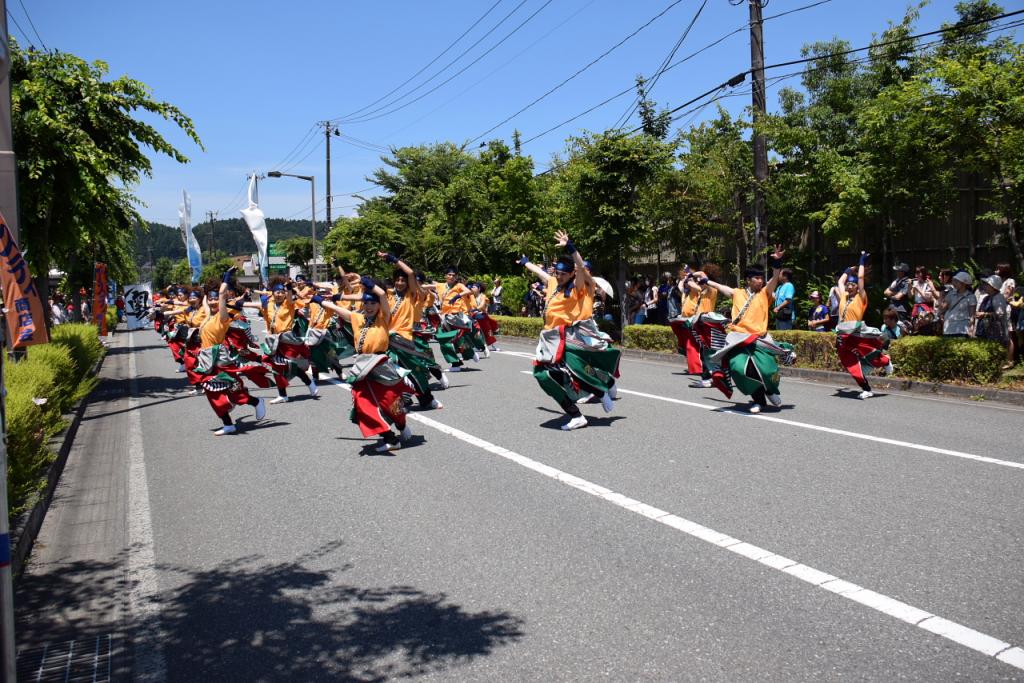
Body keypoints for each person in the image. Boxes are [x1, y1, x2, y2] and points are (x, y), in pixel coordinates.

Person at [519, 231, 620, 431]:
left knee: (578, 369)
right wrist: (526, 263)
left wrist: (570, 246)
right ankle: (582, 408)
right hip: (550, 338)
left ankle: (603, 388)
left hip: (572, 333)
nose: (559, 276)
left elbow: (581, 267)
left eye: (563, 273)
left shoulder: (578, 287)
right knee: (544, 375)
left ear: (572, 273)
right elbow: (542, 274)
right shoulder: (554, 282)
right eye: (557, 272)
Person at [317, 278, 417, 452]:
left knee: (391, 402)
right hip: (362, 366)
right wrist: (323, 301)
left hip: (380, 364)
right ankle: (390, 438)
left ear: (378, 305)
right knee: (362, 403)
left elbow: (383, 296)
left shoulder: (384, 317)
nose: (369, 306)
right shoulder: (358, 318)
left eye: (372, 303)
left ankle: (401, 426)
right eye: (366, 302)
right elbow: (339, 310)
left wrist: (371, 286)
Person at [704, 247, 796, 413]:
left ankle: (770, 390)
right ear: (748, 280)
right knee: (740, 370)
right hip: (738, 340)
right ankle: (758, 400)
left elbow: (775, 277)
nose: (760, 281)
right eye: (756, 278)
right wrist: (706, 281)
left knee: (768, 371)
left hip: (759, 339)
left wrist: (777, 262)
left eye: (761, 278)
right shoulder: (737, 293)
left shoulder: (765, 293)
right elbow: (720, 286)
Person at [193, 270, 270, 436]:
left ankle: (256, 402)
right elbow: (206, 300)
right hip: (207, 361)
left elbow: (221, 295)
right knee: (212, 393)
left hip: (218, 360)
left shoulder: (223, 317)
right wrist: (206, 288)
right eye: (210, 298)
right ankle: (228, 424)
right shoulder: (207, 315)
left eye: (216, 299)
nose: (213, 301)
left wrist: (225, 281)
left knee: (234, 392)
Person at [377, 251, 444, 410]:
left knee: (416, 370)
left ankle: (427, 399)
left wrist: (392, 258)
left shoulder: (413, 295)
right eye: (397, 280)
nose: (400, 283)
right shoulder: (388, 296)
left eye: (403, 280)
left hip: (404, 339)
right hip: (387, 340)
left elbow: (411, 273)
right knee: (392, 372)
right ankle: (401, 401)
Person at [834, 252, 894, 399]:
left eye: (852, 284)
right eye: (849, 284)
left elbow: (860, 278)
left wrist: (861, 262)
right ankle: (866, 388)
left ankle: (885, 361)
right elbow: (840, 282)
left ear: (857, 287)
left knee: (870, 354)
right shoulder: (844, 297)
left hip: (856, 334)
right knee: (849, 363)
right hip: (842, 336)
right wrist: (849, 269)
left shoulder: (861, 298)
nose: (849, 286)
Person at [250, 276, 318, 404]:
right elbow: (251, 305)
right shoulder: (268, 304)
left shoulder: (289, 303)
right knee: (276, 367)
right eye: (277, 292)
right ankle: (283, 395)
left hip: (287, 338)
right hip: (274, 340)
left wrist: (288, 287)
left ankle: (310, 383)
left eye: (282, 292)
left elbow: (291, 296)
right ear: (273, 293)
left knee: (291, 365)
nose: (280, 294)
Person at [669, 263, 724, 385]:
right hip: (700, 323)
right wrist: (688, 276)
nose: (699, 281)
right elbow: (683, 285)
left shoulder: (711, 289)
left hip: (707, 323)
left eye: (701, 280)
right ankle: (710, 377)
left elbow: (699, 278)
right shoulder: (704, 290)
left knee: (707, 351)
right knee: (705, 351)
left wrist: (690, 275)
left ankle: (711, 377)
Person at [435, 266, 479, 371]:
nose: (451, 277)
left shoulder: (459, 285)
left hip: (455, 317)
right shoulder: (440, 286)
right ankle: (457, 362)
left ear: (456, 277)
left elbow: (469, 291)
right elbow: (424, 286)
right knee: (443, 340)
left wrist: (458, 296)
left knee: (459, 338)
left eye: (453, 275)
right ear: (445, 276)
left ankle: (467, 355)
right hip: (444, 318)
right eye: (449, 274)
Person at [937, 271, 976, 337]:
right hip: (948, 328)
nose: (954, 283)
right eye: (954, 281)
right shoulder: (951, 294)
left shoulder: (971, 296)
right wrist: (941, 296)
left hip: (962, 329)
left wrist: (971, 330)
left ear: (964, 283)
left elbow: (972, 315)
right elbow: (942, 309)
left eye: (957, 281)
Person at [975, 274, 1009, 348]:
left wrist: (984, 314)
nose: (985, 286)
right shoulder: (987, 297)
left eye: (987, 285)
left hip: (996, 333)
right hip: (985, 331)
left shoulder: (998, 297)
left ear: (993, 287)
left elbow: (1000, 314)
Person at [996, 264, 1016, 368]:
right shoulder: (1001, 282)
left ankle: (1010, 360)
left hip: (1006, 309)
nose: (996, 271)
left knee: (1007, 334)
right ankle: (1003, 359)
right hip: (999, 308)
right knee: (1001, 334)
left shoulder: (1010, 281)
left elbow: (1006, 295)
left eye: (998, 269)